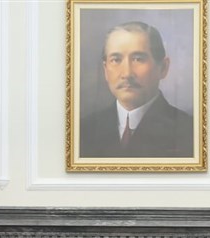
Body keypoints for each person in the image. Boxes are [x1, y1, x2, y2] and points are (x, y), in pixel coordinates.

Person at [79, 21, 194, 158]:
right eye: (116, 60)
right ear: (105, 70)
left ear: (163, 68)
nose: (127, 73)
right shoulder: (84, 130)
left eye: (138, 59)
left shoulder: (190, 131)